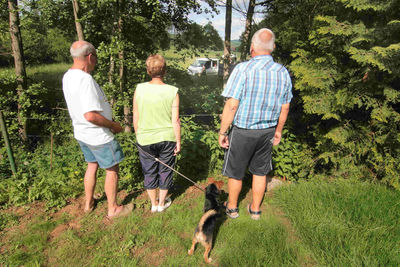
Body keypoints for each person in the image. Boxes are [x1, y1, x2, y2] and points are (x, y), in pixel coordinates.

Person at [218, 28, 293, 220]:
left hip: (243, 131)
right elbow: (285, 108)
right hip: (267, 131)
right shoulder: (283, 72)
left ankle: (232, 208)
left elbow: (232, 104)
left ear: (252, 47)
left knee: (235, 172)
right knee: (260, 172)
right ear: (273, 47)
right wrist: (278, 131)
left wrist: (222, 131)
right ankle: (255, 210)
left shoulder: (243, 69)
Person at [62, 40, 132, 219]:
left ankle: (88, 203)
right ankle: (113, 208)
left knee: (91, 165)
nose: (96, 61)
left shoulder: (68, 76)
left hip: (82, 133)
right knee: (112, 168)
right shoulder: (85, 80)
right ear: (90, 56)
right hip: (98, 135)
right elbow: (90, 115)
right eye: (96, 57)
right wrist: (113, 125)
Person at [133, 54, 181, 213]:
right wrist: (178, 141)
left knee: (149, 170)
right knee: (166, 169)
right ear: (165, 71)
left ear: (148, 71)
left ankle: (153, 204)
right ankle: (161, 204)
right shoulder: (172, 91)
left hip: (145, 137)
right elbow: (176, 120)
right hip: (167, 137)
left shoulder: (139, 89)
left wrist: (138, 135)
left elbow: (135, 116)